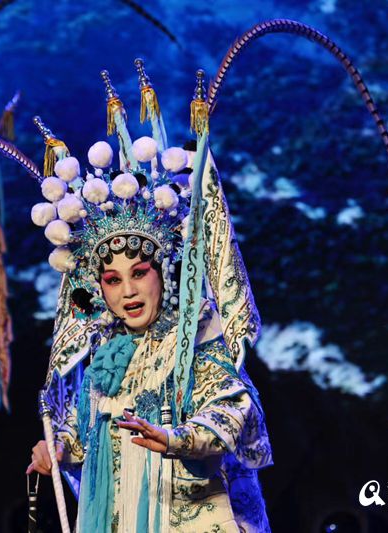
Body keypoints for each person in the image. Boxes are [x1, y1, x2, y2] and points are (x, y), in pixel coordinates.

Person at [26, 62, 273, 532]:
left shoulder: (194, 332)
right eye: (112, 280)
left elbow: (231, 407)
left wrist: (177, 438)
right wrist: (57, 448)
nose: (128, 291)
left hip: (186, 511)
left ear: (162, 272)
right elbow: (84, 430)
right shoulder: (106, 352)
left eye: (139, 273)